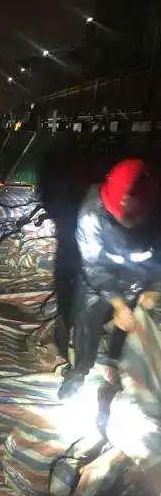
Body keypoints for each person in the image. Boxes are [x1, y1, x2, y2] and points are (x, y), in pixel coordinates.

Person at [59, 158, 160, 399]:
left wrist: (154, 289)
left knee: (140, 324)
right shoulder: (91, 214)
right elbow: (94, 267)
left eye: (134, 219)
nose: (127, 224)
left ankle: (120, 367)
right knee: (86, 316)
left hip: (141, 274)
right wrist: (118, 304)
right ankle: (78, 371)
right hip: (102, 274)